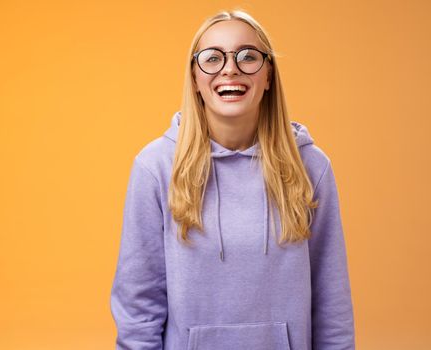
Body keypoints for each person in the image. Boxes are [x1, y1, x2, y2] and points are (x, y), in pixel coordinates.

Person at [110, 9, 355, 350]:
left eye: (248, 56)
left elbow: (332, 303)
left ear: (268, 75)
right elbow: (139, 304)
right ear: (195, 78)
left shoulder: (310, 167)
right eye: (212, 58)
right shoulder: (155, 167)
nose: (230, 68)